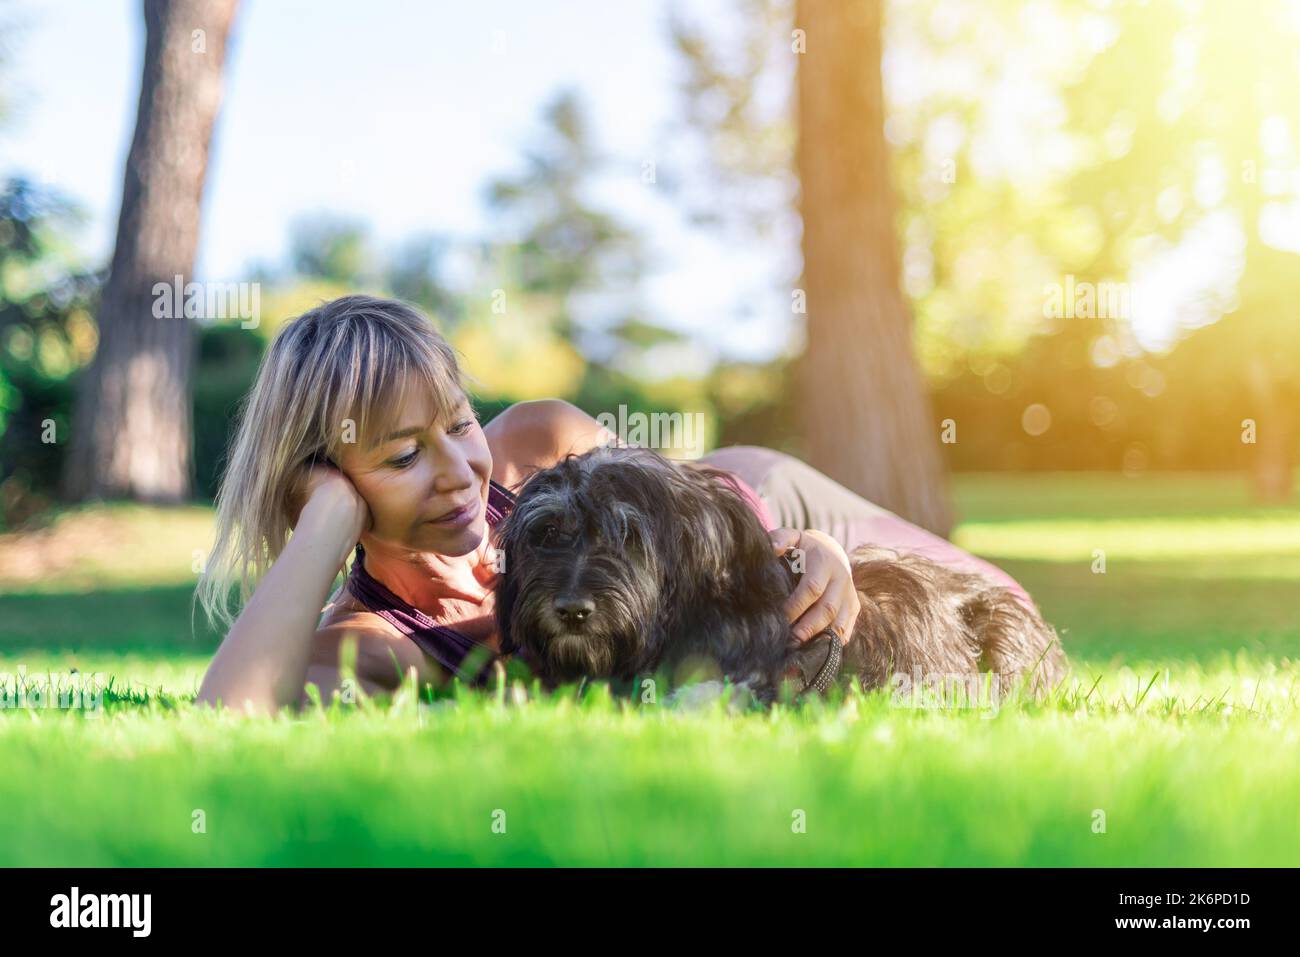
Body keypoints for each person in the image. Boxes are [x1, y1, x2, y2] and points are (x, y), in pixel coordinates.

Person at [194, 295, 864, 715]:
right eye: (402, 457)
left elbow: (694, 512)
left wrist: (811, 544)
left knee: (971, 592)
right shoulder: (370, 644)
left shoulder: (540, 438)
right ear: (325, 478)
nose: (460, 472)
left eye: (459, 424)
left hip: (776, 491)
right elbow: (229, 718)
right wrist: (326, 519)